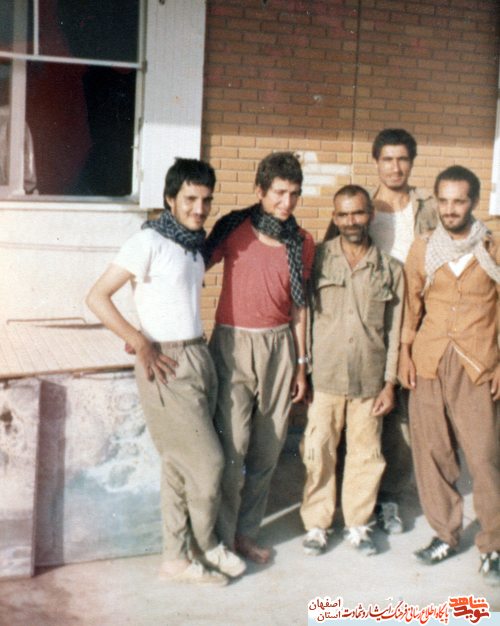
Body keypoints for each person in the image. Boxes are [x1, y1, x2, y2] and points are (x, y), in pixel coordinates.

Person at [86, 158, 245, 585]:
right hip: (166, 364)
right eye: (190, 199)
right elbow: (97, 296)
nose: (199, 208)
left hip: (198, 355)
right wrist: (139, 341)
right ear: (170, 198)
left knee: (178, 466)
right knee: (209, 463)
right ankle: (208, 545)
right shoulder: (148, 241)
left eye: (206, 200)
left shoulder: (191, 247)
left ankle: (175, 559)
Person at [324, 129, 438, 534]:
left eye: (402, 158)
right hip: (365, 327)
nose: (395, 167)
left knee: (401, 418)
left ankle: (389, 498)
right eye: (387, 159)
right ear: (376, 162)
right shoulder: (358, 206)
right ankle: (357, 503)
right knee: (360, 417)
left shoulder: (427, 210)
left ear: (412, 162)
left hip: (413, 325)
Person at [204, 151, 315, 564]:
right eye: (279, 193)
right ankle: (221, 537)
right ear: (259, 191)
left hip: (279, 348)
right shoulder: (233, 227)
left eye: (294, 194)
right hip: (232, 346)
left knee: (267, 450)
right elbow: (190, 270)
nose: (287, 202)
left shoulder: (301, 241)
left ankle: (245, 534)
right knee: (232, 448)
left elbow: (300, 307)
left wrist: (301, 364)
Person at [399, 165, 500, 586]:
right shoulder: (423, 248)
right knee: (433, 453)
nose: (450, 209)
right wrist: (404, 354)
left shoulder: (492, 246)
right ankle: (445, 534)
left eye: (459, 201)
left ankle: (493, 545)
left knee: (484, 457)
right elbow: (411, 307)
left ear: (473, 202)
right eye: (443, 200)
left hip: (477, 364)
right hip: (428, 361)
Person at [300, 185, 404, 557]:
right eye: (343, 214)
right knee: (318, 452)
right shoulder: (317, 261)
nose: (351, 221)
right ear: (334, 217)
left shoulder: (391, 270)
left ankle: (358, 525)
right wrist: (303, 370)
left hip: (369, 380)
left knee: (366, 455)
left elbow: (394, 331)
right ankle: (317, 525)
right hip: (325, 377)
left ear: (371, 215)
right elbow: (304, 317)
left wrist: (389, 383)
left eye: (358, 213)